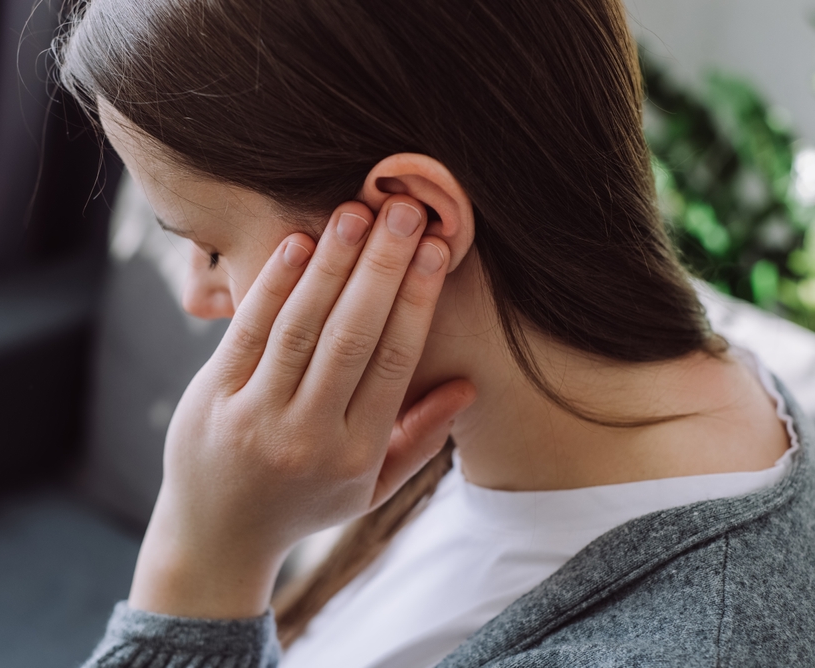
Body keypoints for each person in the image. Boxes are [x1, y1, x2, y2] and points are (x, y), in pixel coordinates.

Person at [58, 0, 815, 665]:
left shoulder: (688, 643)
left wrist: (201, 567)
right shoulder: (489, 413)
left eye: (212, 244)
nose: (198, 294)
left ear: (411, 216)